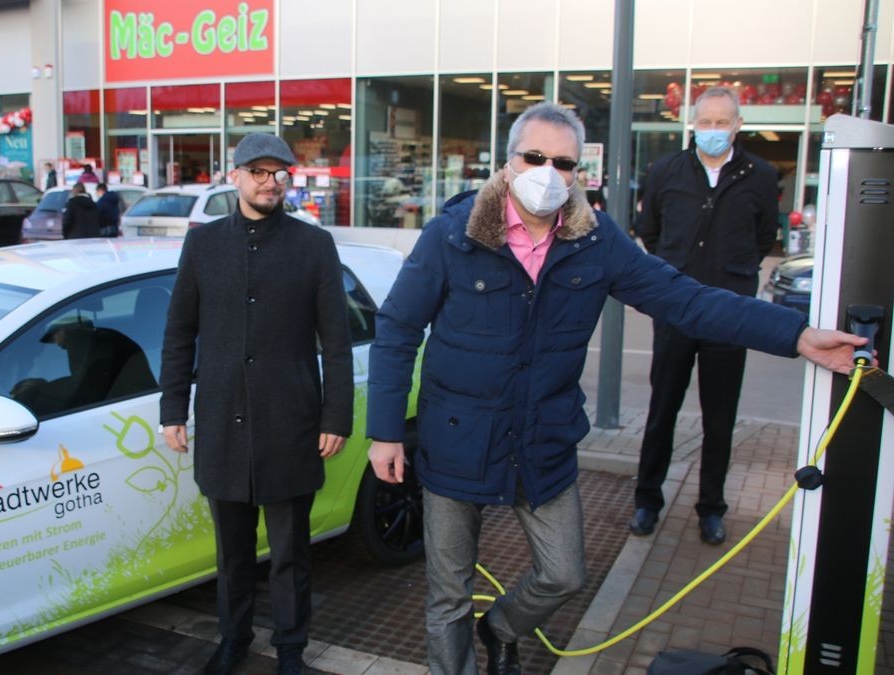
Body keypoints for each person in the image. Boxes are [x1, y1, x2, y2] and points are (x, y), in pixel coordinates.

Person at [364, 102, 866, 675]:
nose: (547, 172)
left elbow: (688, 300)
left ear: (580, 172)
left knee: (564, 574)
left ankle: (502, 626)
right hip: (455, 439)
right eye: (534, 157)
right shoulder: (451, 235)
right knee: (448, 596)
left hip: (542, 441)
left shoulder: (595, 243)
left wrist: (796, 334)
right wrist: (385, 434)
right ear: (507, 164)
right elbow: (398, 328)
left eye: (564, 162)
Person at [159, 133, 353, 675]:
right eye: (260, 172)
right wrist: (174, 407)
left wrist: (336, 415)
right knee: (233, 550)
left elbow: (336, 343)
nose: (271, 182)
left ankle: (291, 647)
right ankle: (233, 638)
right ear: (236, 177)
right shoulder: (203, 246)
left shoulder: (313, 247)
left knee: (291, 551)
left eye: (280, 173)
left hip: (290, 422)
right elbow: (179, 332)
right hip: (222, 421)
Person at [628, 87, 781, 546]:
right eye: (706, 121)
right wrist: (674, 274)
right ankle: (646, 500)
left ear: (738, 124)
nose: (713, 130)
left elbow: (763, 238)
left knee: (720, 417)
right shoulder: (667, 171)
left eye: (722, 122)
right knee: (662, 410)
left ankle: (711, 508)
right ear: (692, 123)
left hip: (729, 313)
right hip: (675, 308)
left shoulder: (759, 175)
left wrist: (731, 277)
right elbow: (648, 231)